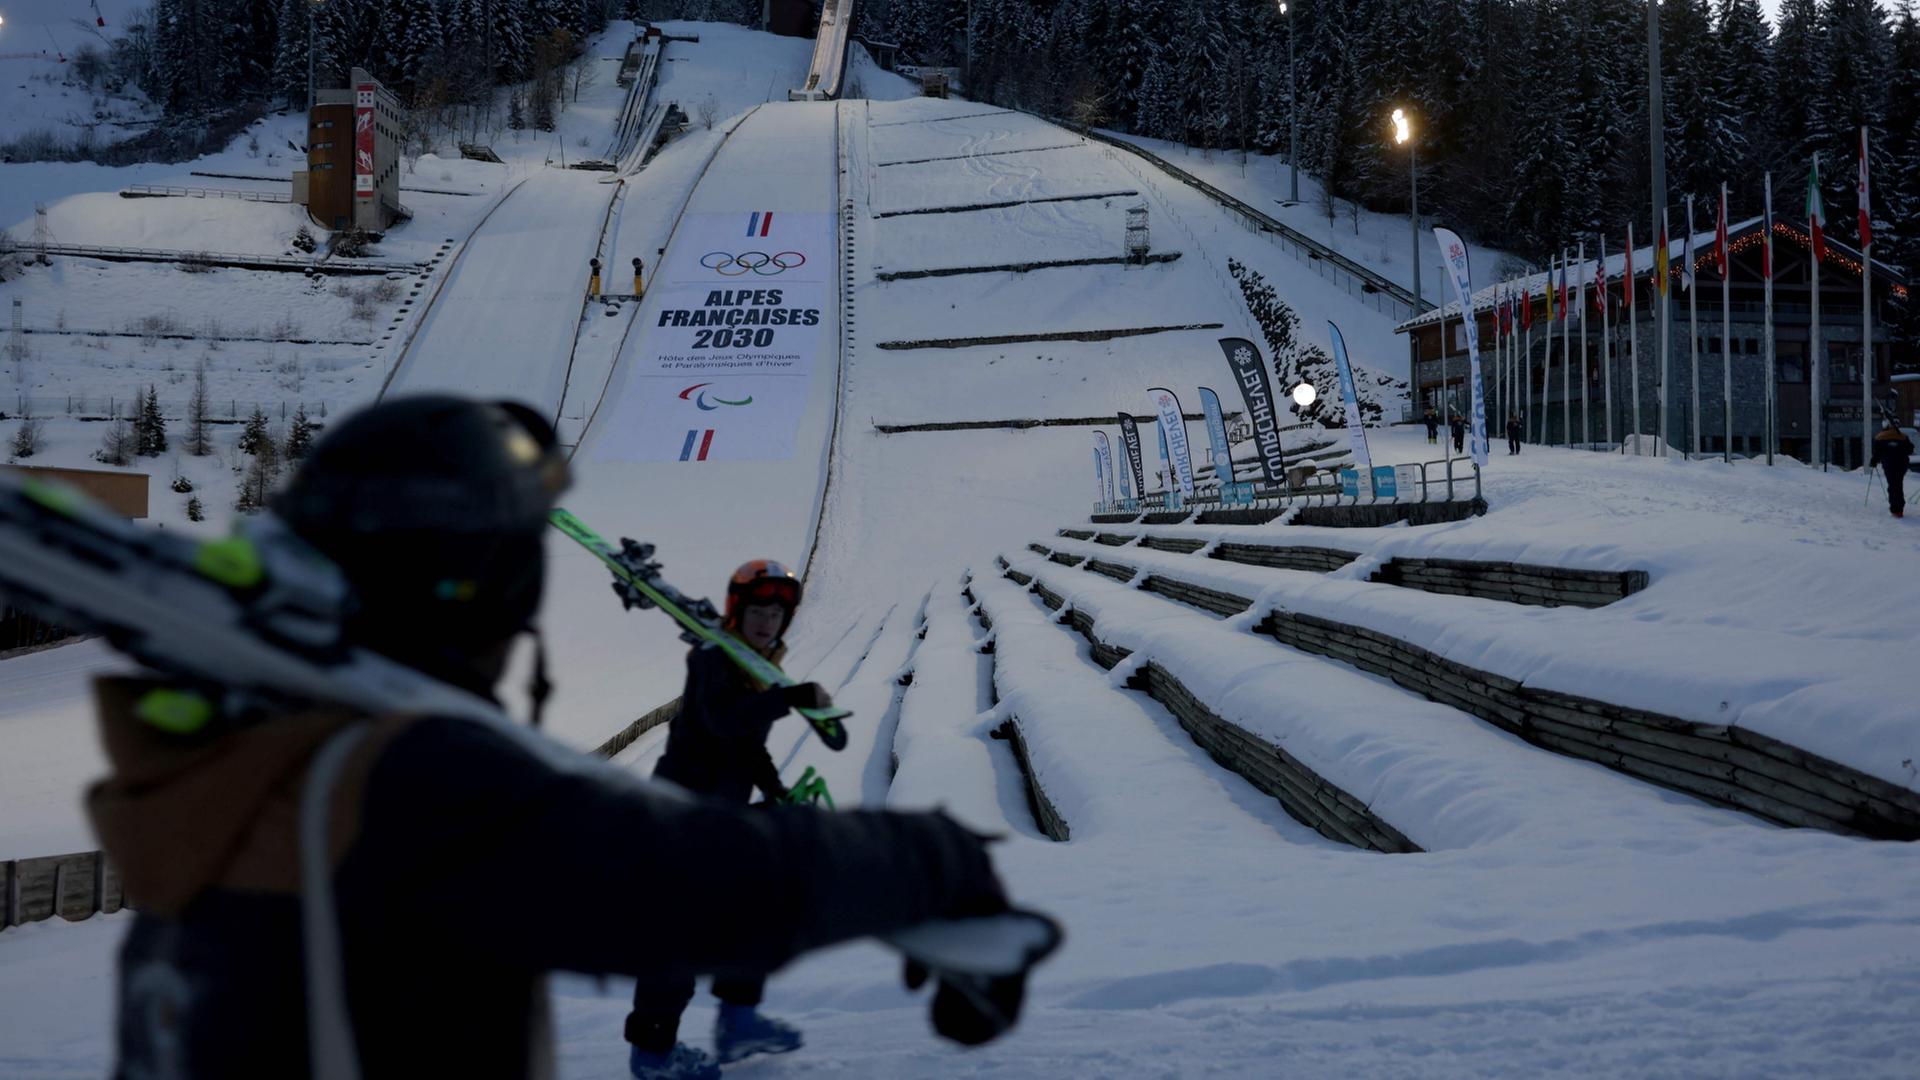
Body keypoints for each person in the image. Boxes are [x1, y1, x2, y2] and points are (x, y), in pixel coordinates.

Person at [86, 397, 1023, 1080]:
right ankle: (659, 1055)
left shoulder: (249, 766)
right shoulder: (420, 778)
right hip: (698, 808)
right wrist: (934, 860)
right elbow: (700, 884)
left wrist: (775, 781)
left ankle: (725, 1027)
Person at [624, 558, 823, 1076]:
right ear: (739, 609)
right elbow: (721, 720)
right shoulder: (714, 657)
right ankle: (653, 1055)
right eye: (758, 610)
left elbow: (746, 747)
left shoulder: (760, 670)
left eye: (776, 616)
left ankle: (737, 1022)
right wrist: (788, 699)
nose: (766, 623)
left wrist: (775, 789)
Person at [1871, 420, 1913, 519]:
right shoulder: (1903, 436)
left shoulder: (1880, 437)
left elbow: (1877, 452)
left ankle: (1896, 509)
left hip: (1889, 464)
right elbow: (1910, 449)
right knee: (1898, 484)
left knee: (1893, 485)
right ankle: (1898, 507)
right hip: (1902, 464)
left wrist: (1873, 461)